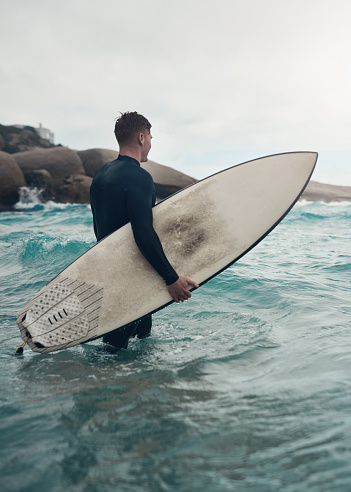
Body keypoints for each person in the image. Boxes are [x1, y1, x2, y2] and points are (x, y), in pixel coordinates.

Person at [90, 112, 198, 349]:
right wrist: (171, 278)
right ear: (141, 137)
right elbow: (143, 231)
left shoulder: (100, 176)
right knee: (117, 350)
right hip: (131, 278)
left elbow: (100, 227)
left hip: (109, 272)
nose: (150, 143)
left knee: (129, 341)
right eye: (150, 137)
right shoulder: (139, 177)